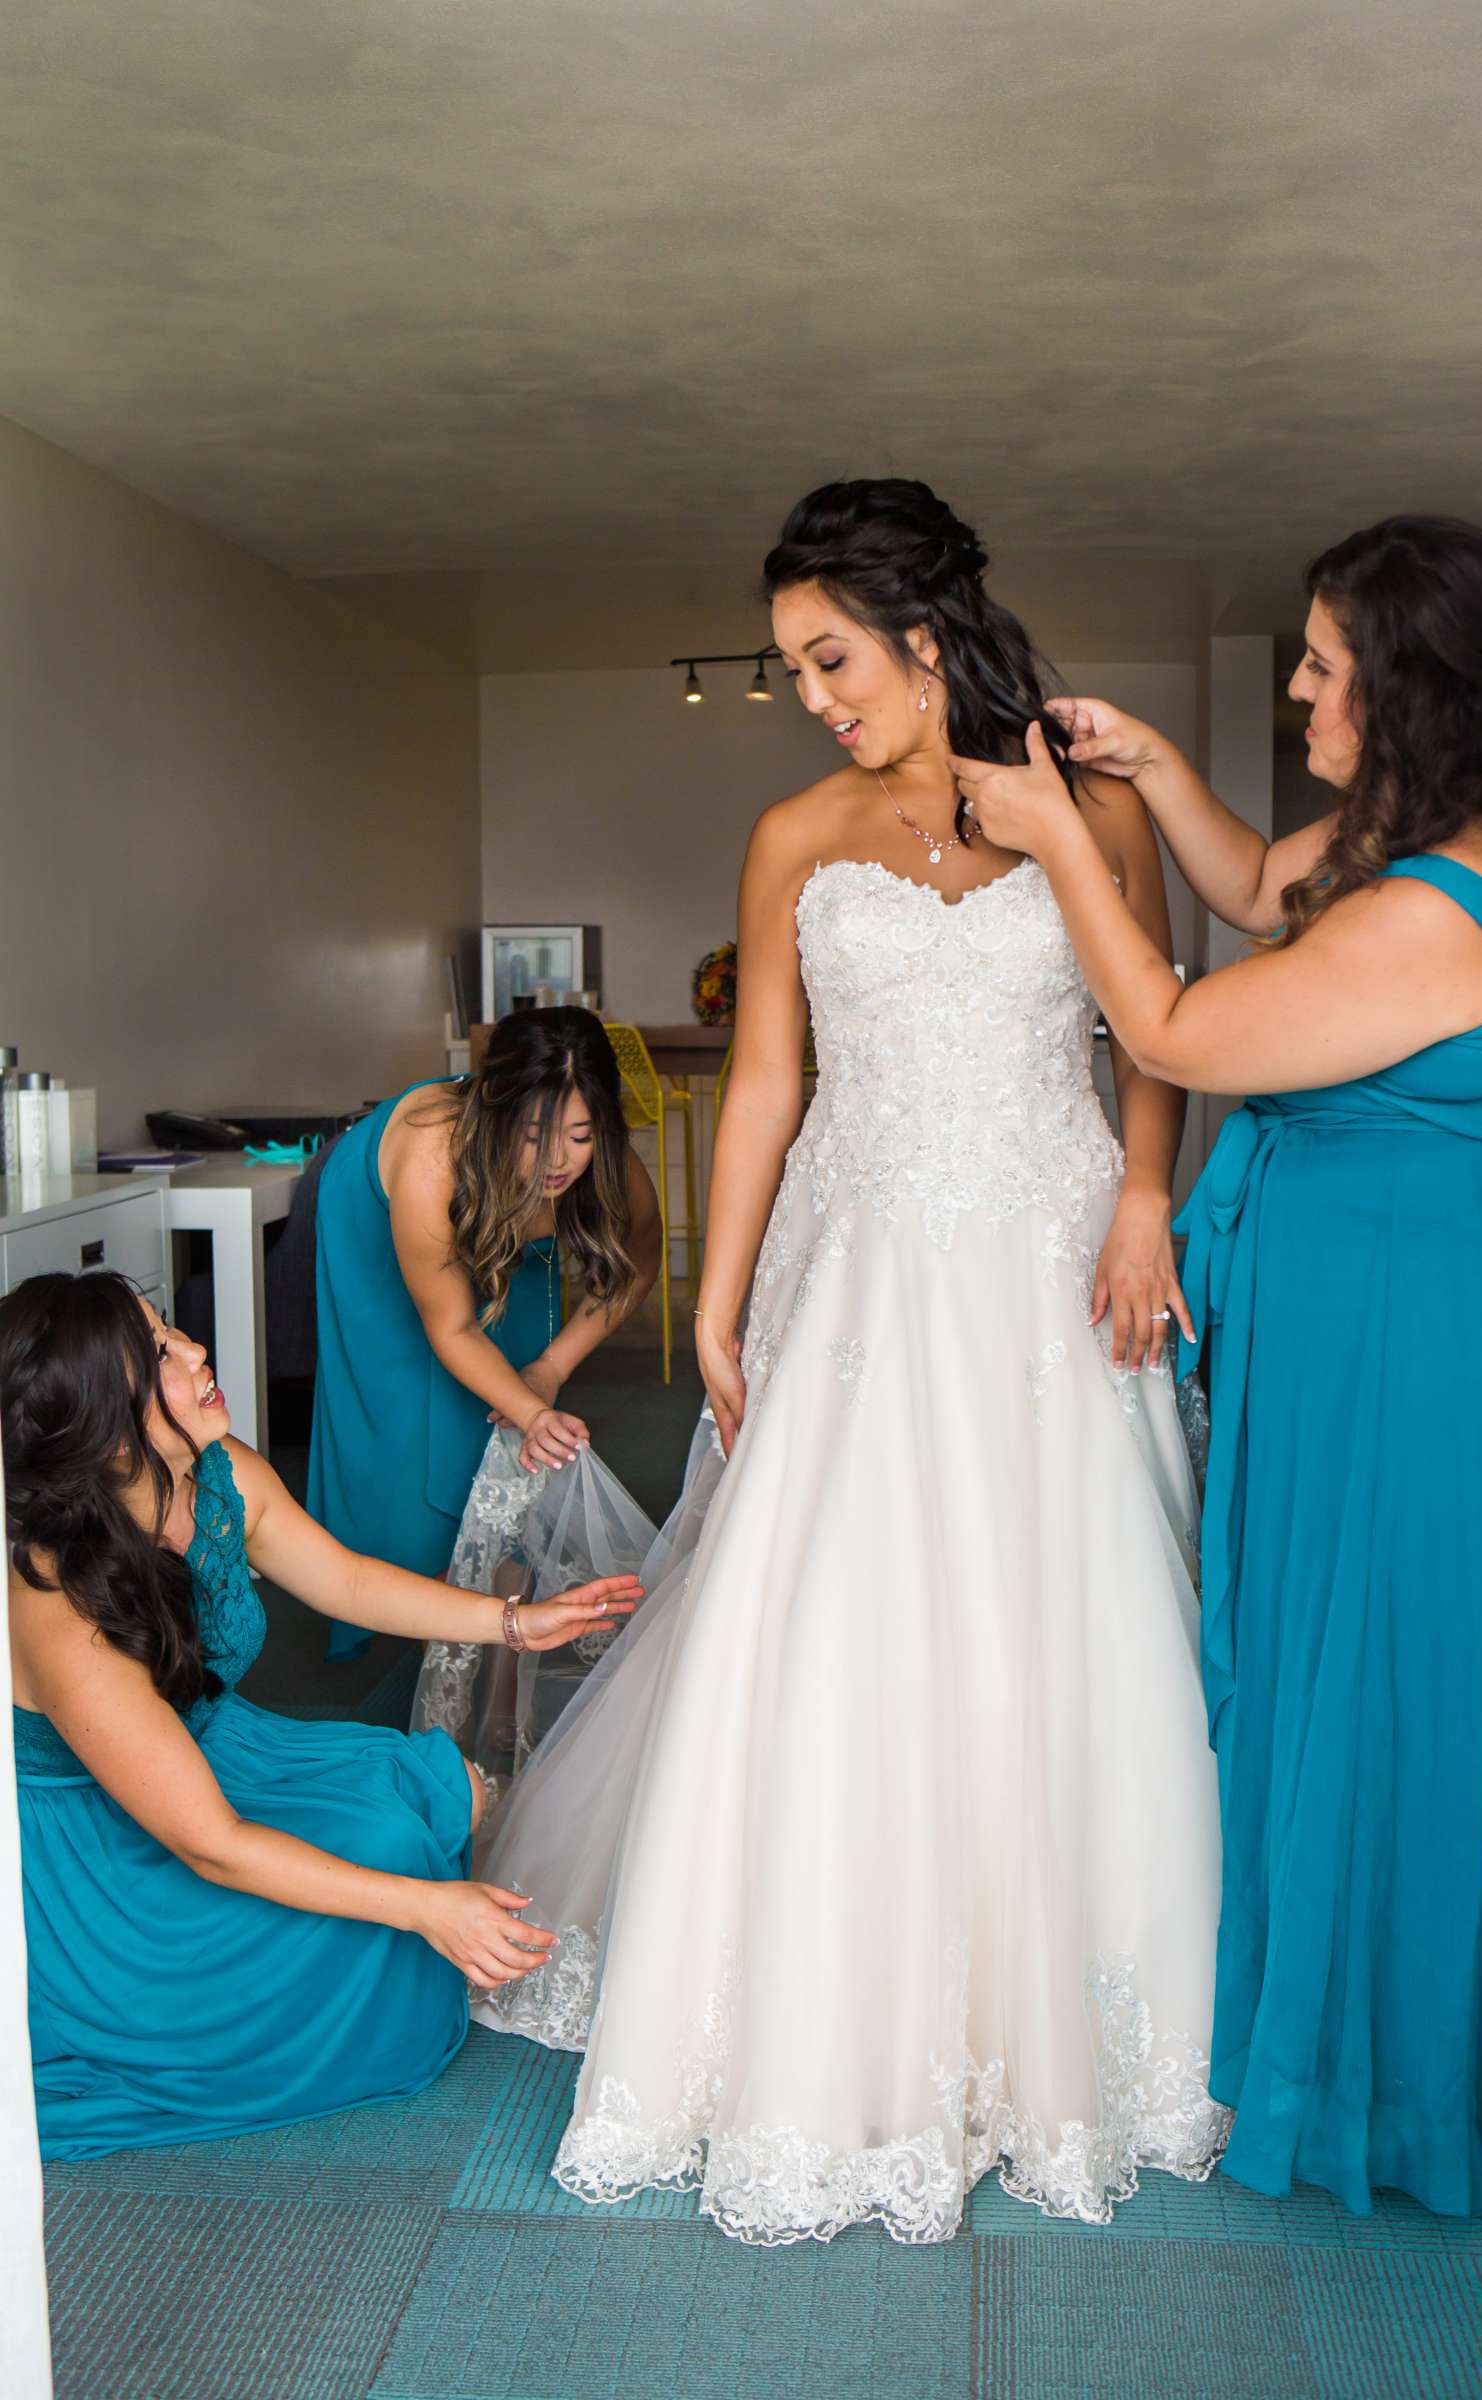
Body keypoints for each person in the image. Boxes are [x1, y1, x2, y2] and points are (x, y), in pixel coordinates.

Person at [471, 478, 1229, 2246]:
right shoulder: (797, 833)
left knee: (1073, 1616)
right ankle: (821, 2015)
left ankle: (1081, 2022)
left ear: (923, 629)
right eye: (793, 667)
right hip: (865, 1265)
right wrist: (719, 1298)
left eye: (830, 657)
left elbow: (1157, 1027)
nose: (814, 695)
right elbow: (765, 1087)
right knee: (831, 1623)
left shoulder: (1086, 800)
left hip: (1053, 1260)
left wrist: (1144, 1200)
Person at [951, 514, 1482, 2217]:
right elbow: (1254, 886)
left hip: (1424, 1359)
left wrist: (1054, 841)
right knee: (1348, 1674)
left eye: (1324, 666)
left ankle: (1375, 2089)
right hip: (1387, 1323)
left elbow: (1170, 1031)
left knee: (1390, 1690)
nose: (1302, 686)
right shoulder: (1417, 840)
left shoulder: (1435, 916)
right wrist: (1154, 775)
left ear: (1404, 695)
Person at [5, 1270, 640, 2160]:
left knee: (433, 1793)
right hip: (108, 1843)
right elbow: (209, 1842)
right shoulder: (58, 1598)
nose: (196, 1352)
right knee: (397, 1869)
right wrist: (425, 1909)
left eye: (173, 1331)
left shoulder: (219, 1474)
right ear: (100, 1426)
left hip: (213, 1748)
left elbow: (342, 1579)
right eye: (158, 1356)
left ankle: (375, 1941)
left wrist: (516, 1624)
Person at [308, 1005, 660, 1658]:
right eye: (534, 1135)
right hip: (381, 1219)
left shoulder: (599, 1160)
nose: (558, 1160)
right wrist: (529, 1408)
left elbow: (641, 1253)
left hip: (489, 1218)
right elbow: (453, 1326)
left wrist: (549, 1371)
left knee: (509, 1398)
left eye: (580, 1135)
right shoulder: (433, 1160)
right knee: (413, 1407)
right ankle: (413, 1603)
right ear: (498, 1112)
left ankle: (499, 1599)